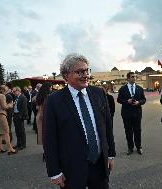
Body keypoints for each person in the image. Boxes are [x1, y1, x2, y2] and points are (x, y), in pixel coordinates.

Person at [43, 54, 116, 189]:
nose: (85, 75)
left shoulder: (99, 93)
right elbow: (49, 139)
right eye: (79, 72)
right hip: (71, 168)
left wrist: (110, 154)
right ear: (66, 76)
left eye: (87, 70)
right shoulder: (54, 101)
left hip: (99, 163)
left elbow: (107, 127)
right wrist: (54, 172)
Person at [117, 72, 146, 155]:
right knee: (128, 131)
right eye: (132, 77)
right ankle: (130, 147)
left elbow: (144, 100)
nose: (134, 78)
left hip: (137, 112)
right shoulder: (123, 88)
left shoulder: (139, 88)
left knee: (137, 130)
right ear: (128, 78)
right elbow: (119, 99)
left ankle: (139, 147)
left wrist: (138, 102)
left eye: (135, 77)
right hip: (126, 113)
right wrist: (127, 101)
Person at [0, 85, 16, 155]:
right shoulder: (2, 96)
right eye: (6, 90)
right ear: (2, 90)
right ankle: (10, 149)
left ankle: (0, 148)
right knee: (6, 132)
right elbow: (4, 107)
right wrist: (10, 105)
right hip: (1, 115)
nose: (7, 91)